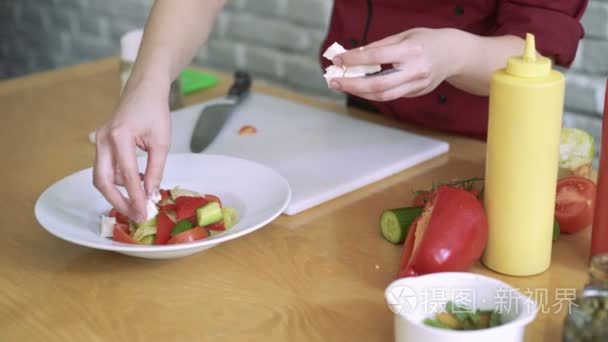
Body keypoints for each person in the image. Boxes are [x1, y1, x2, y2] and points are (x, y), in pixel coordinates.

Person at [94, 0, 588, 223]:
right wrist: (149, 83)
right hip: (358, 129)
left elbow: (539, 47)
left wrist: (455, 55)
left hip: (483, 154)